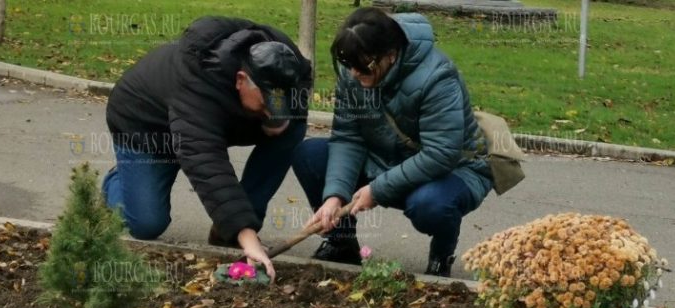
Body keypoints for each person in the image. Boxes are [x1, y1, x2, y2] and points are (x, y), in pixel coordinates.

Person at [103, 16, 313, 281]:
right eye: (266, 103)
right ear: (241, 79)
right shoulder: (196, 83)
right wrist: (248, 239)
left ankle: (231, 227)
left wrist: (281, 117)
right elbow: (206, 162)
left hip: (211, 125)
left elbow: (301, 86)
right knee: (146, 224)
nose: (271, 111)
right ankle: (117, 181)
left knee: (293, 129)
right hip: (146, 127)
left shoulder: (283, 58)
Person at [291, 8, 493, 276]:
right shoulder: (354, 69)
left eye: (362, 67)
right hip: (385, 160)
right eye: (349, 65)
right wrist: (334, 197)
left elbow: (441, 154)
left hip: (453, 170)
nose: (353, 74)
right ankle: (341, 244)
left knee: (430, 205)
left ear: (390, 54)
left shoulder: (437, 77)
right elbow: (347, 137)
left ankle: (441, 256)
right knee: (310, 155)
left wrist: (377, 189)